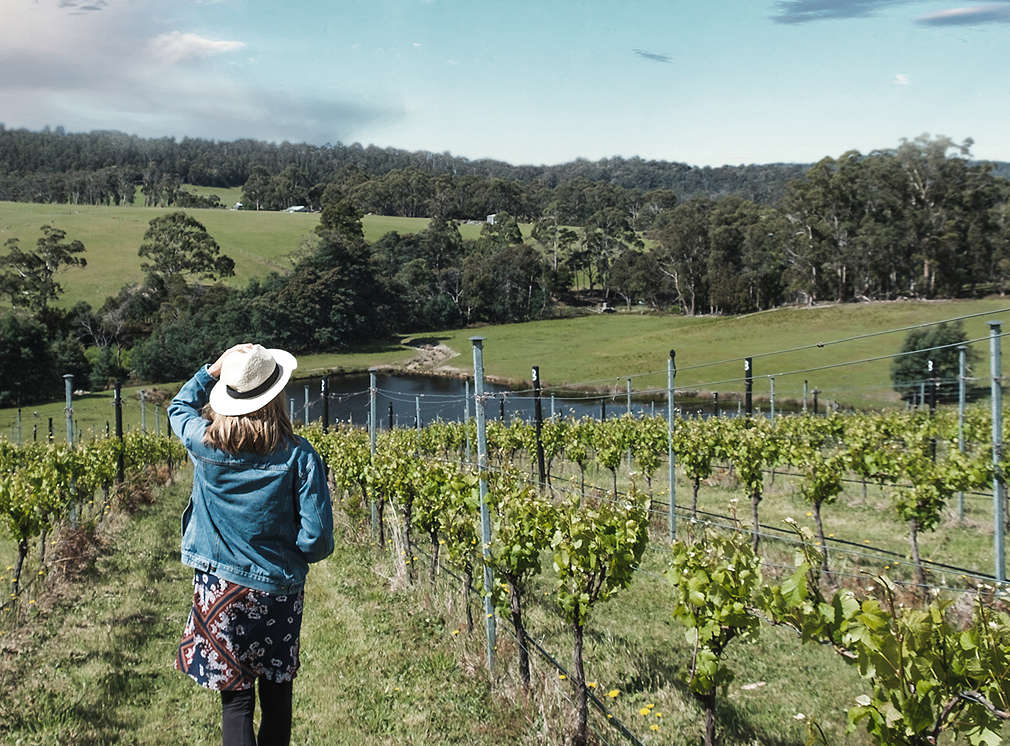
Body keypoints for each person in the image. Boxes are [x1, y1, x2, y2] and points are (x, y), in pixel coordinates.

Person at [168, 343, 334, 746]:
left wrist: (212, 369)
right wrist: (293, 555)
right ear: (276, 395)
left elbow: (178, 408)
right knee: (278, 697)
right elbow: (317, 541)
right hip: (277, 593)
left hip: (218, 591)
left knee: (236, 703)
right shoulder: (300, 457)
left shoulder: (205, 445)